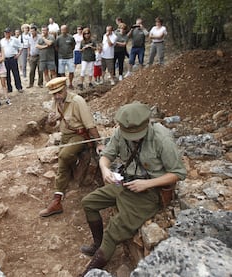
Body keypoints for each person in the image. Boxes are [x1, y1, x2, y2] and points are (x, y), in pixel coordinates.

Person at [79, 102, 187, 275]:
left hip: (150, 191)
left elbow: (178, 173)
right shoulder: (121, 133)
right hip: (126, 183)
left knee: (114, 229)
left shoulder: (161, 138)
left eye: (136, 134)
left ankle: (90, 272)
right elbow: (106, 155)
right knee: (89, 202)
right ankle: (97, 245)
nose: (132, 137)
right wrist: (105, 170)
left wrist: (147, 184)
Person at [39, 77, 103, 217]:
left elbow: (89, 124)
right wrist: (51, 121)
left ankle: (57, 200)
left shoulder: (77, 101)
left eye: (59, 92)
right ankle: (58, 198)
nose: (57, 96)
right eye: (54, 94)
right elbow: (53, 125)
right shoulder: (56, 102)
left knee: (63, 156)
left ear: (66, 88)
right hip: (65, 136)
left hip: (80, 136)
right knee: (63, 161)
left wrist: (98, 142)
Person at [0, 27, 23, 93]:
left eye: (8, 32)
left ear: (10, 33)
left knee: (16, 73)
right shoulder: (2, 41)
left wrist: (18, 54)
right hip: (5, 59)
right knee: (7, 74)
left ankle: (19, 87)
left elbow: (21, 47)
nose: (6, 34)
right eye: (5, 33)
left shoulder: (14, 40)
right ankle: (9, 88)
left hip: (13, 58)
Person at [55, 25, 76, 89]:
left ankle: (70, 83)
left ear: (67, 30)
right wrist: (60, 52)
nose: (63, 31)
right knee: (62, 72)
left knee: (71, 71)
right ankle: (64, 84)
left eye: (64, 30)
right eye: (62, 30)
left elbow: (73, 46)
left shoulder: (71, 37)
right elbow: (56, 47)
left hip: (70, 57)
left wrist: (69, 51)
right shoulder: (58, 38)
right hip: (61, 57)